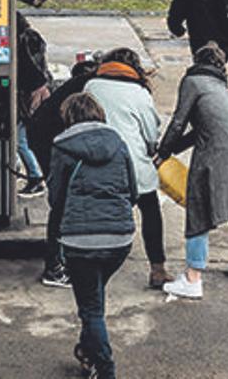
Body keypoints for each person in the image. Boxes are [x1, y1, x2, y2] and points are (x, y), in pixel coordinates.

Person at [158, 44, 228, 299]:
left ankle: (193, 277)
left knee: (199, 207)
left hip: (217, 153)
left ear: (196, 59)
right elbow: (201, 127)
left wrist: (162, 152)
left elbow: (179, 121)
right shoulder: (219, 85)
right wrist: (170, 150)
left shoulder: (192, 80)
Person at [49, 93, 137, 379]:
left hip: (80, 241)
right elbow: (133, 192)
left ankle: (105, 368)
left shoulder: (62, 147)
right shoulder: (119, 143)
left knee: (91, 309)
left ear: (68, 117)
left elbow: (55, 199)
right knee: (94, 299)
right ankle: (87, 350)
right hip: (120, 239)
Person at [84, 48, 172, 289]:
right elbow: (151, 134)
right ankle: (157, 269)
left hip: (99, 162)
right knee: (150, 211)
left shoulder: (91, 86)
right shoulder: (139, 93)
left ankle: (95, 265)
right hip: (133, 164)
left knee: (99, 213)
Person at [32, 59, 100, 288]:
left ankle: (62, 260)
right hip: (50, 139)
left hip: (50, 135)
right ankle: (54, 266)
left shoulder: (89, 82)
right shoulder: (96, 85)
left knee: (63, 200)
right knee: (61, 202)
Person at [17, 15, 51, 198]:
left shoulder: (23, 42)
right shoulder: (33, 37)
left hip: (29, 94)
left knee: (20, 138)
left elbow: (26, 70)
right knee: (22, 135)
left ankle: (35, 176)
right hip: (37, 90)